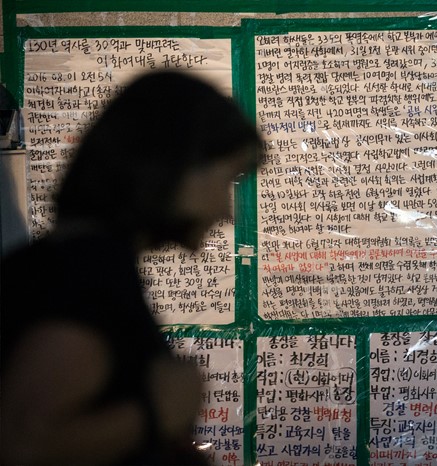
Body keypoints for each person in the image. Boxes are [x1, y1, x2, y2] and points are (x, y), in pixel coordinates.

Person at [1, 70, 262, 465]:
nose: (228, 212)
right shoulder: (83, 274)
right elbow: (22, 444)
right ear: (176, 169)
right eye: (227, 179)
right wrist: (157, 412)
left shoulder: (84, 261)